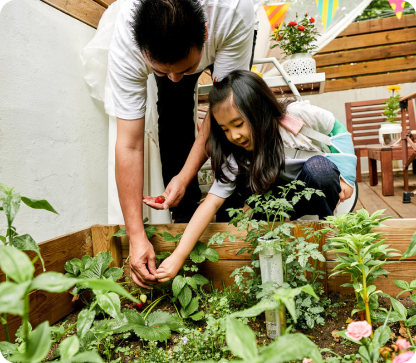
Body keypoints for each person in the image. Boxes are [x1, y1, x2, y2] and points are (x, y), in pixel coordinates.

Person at [155, 70, 356, 283]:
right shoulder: (236, 156)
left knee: (320, 168)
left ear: (260, 109)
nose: (234, 135)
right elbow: (210, 205)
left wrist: (347, 178)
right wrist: (178, 255)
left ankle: (330, 231)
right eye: (225, 129)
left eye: (238, 124)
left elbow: (338, 130)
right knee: (252, 190)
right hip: (277, 203)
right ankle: (271, 248)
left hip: (312, 189)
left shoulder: (297, 116)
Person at [108, 0, 256, 288]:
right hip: (172, 45)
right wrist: (136, 237)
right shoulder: (127, 37)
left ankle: (232, 207)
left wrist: (187, 175)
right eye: (161, 72)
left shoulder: (232, 11)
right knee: (173, 110)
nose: (175, 78)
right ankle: (184, 214)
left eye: (186, 68)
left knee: (234, 113)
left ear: (205, 32)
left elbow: (221, 113)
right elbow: (129, 144)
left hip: (225, 29)